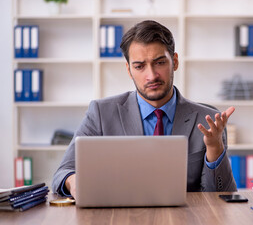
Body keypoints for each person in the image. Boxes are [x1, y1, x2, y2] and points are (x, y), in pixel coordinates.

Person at [52, 20, 237, 198]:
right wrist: (74, 182)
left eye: (160, 63)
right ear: (129, 69)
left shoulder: (209, 120)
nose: (151, 75)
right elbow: (63, 172)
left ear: (175, 62)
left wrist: (214, 147)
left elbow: (221, 196)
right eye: (139, 66)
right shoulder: (101, 113)